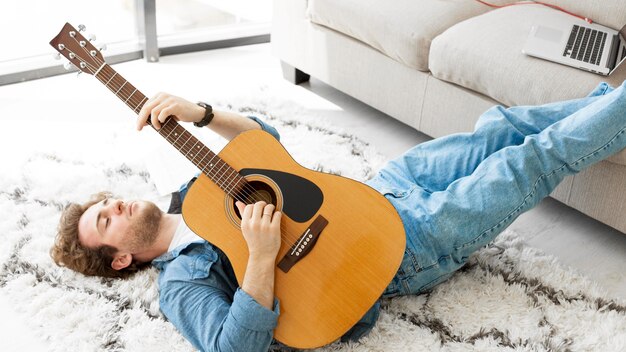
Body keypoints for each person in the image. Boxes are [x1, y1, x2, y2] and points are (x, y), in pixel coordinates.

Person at [51, 81, 626, 352]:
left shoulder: (191, 193)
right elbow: (234, 349)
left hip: (380, 190)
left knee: (499, 127)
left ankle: (608, 101)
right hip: (395, 252)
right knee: (530, 160)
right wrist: (259, 256)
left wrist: (201, 112)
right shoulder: (181, 283)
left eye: (105, 203)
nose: (115, 205)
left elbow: (265, 148)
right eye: (105, 222)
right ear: (122, 257)